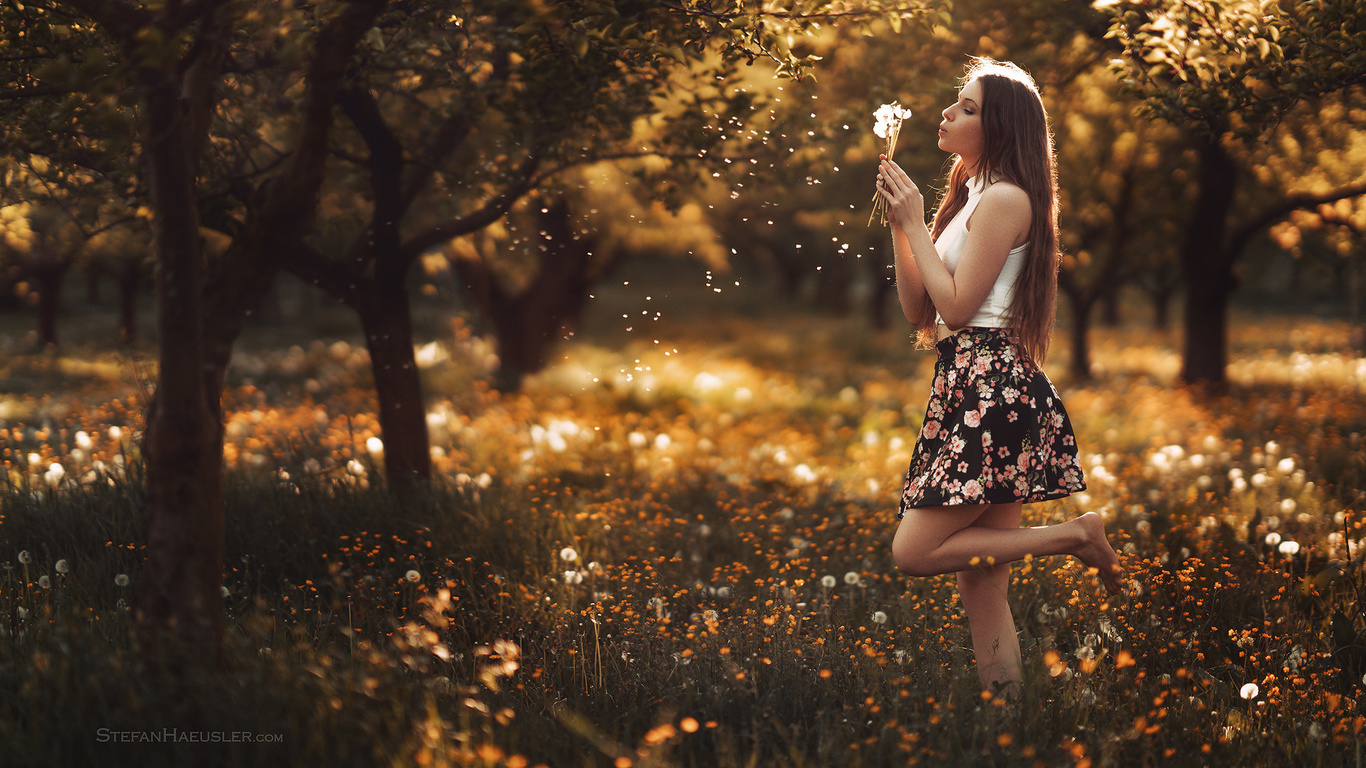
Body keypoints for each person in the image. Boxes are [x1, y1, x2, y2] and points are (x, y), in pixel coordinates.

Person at [875, 58, 1124, 694]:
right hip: (968, 381)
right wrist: (904, 229)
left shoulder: (1008, 200)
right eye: (954, 103)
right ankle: (1004, 727)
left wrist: (912, 224)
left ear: (1000, 127)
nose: (948, 113)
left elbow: (959, 307)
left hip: (993, 387)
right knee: (981, 581)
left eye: (966, 107)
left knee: (913, 551)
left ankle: (1074, 534)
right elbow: (920, 311)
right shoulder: (967, 200)